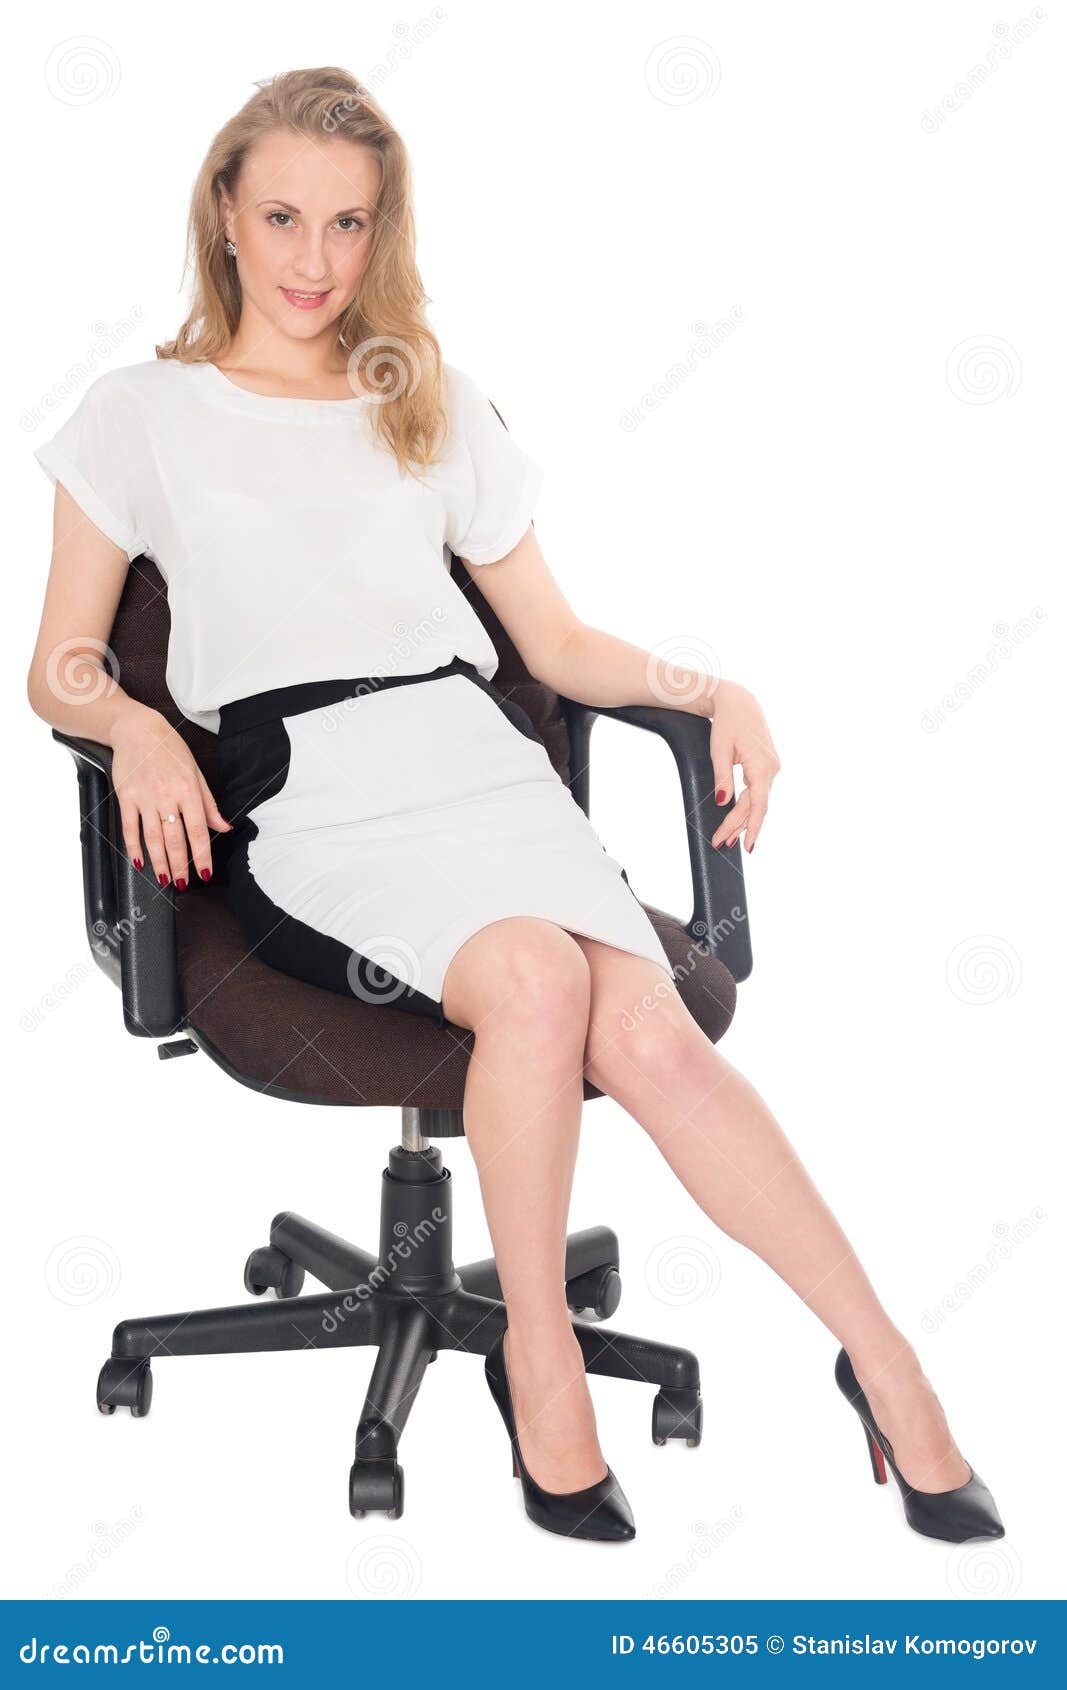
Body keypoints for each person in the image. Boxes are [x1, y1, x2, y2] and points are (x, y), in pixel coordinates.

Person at [26, 65, 1003, 1546]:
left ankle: (887, 1362)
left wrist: (708, 684)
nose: (310, 260)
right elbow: (58, 664)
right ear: (223, 209)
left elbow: (555, 648)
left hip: (476, 759)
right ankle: (542, 1370)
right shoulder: (139, 415)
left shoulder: (424, 398)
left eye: (347, 225)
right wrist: (137, 729)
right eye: (281, 214)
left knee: (653, 1030)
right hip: (314, 795)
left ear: (381, 234)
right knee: (539, 981)